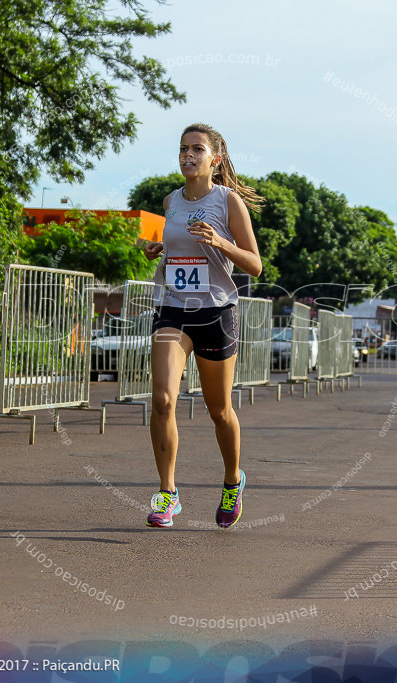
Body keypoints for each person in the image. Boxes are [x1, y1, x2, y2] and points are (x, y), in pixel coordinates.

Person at [141, 123, 263, 528]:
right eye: (182, 149)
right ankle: (167, 494)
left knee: (219, 410)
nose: (187, 155)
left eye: (196, 149)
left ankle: (232, 481)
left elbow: (255, 265)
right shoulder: (170, 200)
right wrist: (159, 249)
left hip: (215, 312)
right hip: (173, 307)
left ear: (215, 159)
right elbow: (178, 249)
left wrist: (221, 242)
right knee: (162, 400)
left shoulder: (228, 202)